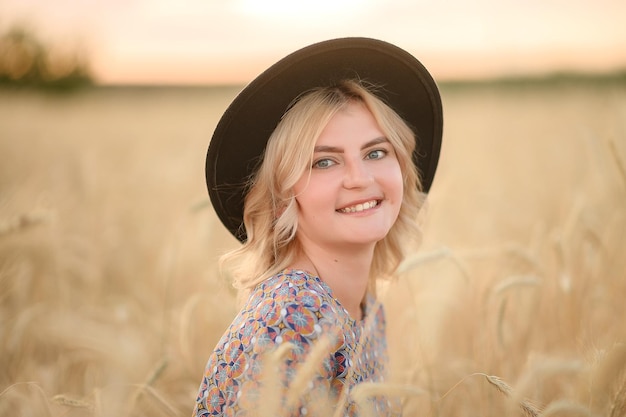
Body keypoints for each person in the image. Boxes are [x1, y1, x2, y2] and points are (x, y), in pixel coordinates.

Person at [194, 37, 443, 417]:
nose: (359, 178)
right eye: (324, 162)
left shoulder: (367, 310)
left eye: (376, 152)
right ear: (279, 199)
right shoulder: (289, 321)